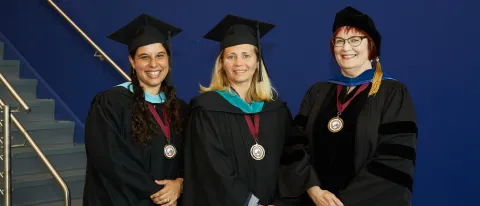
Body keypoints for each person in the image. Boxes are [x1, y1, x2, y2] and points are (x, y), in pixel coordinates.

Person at [279, 6, 418, 206]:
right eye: (339, 41)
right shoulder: (318, 92)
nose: (346, 48)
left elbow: (394, 160)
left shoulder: (393, 93)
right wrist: (314, 190)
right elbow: (295, 145)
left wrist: (342, 203)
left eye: (355, 40)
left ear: (371, 46)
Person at [183, 14, 292, 206]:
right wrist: (251, 203)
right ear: (222, 64)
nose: (238, 63)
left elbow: (290, 159)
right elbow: (212, 168)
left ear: (258, 62)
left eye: (246, 56)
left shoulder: (276, 110)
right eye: (231, 56)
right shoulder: (206, 109)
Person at [83, 13, 189, 206]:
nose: (153, 64)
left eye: (160, 55)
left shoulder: (180, 108)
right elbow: (111, 160)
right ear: (132, 61)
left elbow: (192, 158)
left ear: (168, 60)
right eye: (144, 57)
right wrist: (160, 194)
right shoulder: (110, 103)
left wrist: (180, 184)